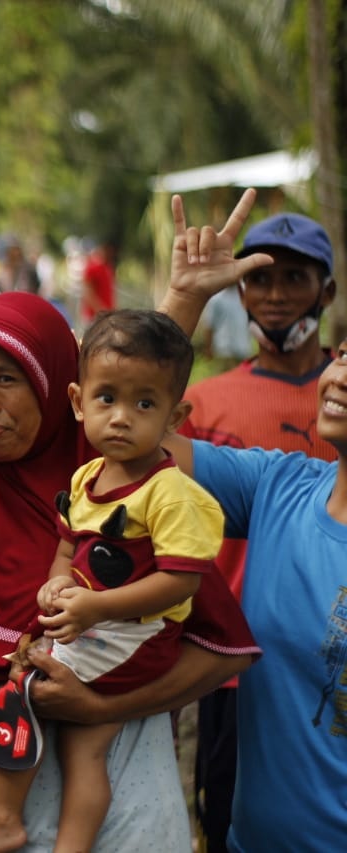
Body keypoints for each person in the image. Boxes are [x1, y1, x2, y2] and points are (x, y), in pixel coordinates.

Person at [0, 192, 268, 852]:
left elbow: (215, 650)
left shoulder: (127, 490)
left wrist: (102, 706)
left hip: (119, 794)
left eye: (8, 378)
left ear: (56, 385)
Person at [0, 310, 224, 853]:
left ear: (176, 416)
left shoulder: (168, 492)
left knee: (31, 687)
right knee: (83, 747)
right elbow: (67, 547)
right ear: (79, 403)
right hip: (98, 623)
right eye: (107, 399)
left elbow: (180, 584)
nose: (122, 417)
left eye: (144, 404)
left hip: (138, 634)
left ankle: (3, 819)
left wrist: (94, 610)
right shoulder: (86, 478)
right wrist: (56, 586)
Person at [181, 210, 338, 850]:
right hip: (231, 663)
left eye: (294, 279)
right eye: (259, 280)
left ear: (326, 293)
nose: (274, 296)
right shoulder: (208, 401)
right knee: (228, 814)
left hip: (330, 657)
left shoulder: (336, 399)